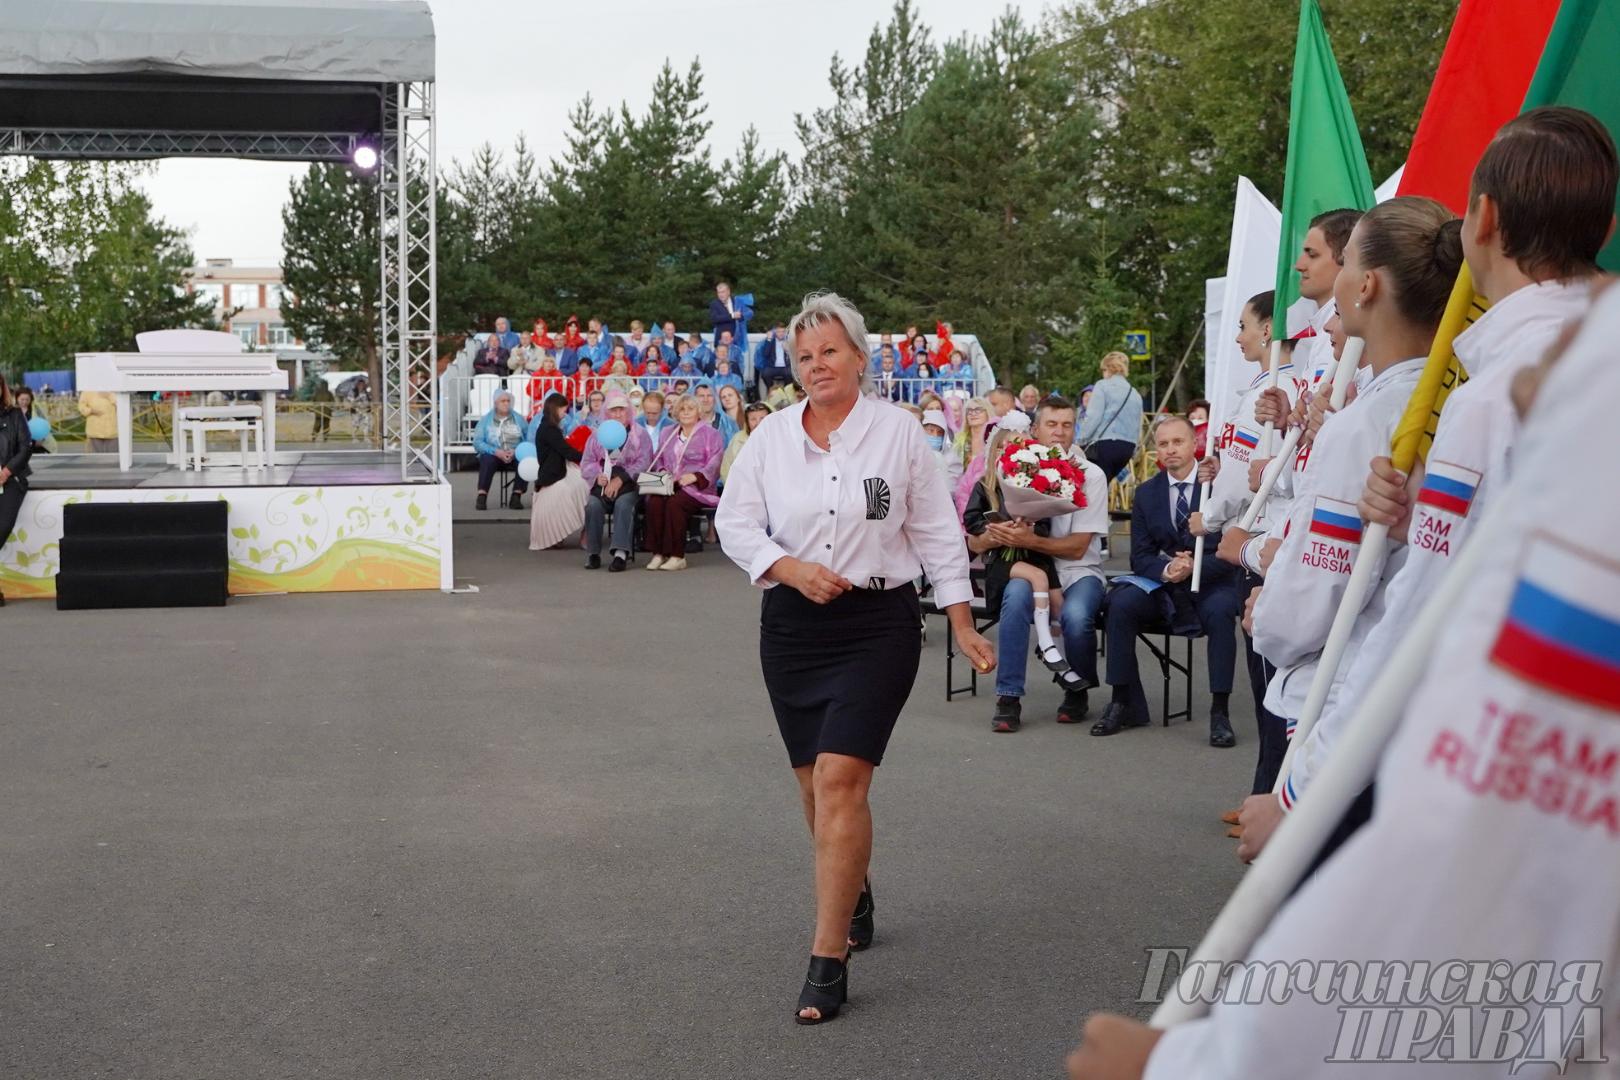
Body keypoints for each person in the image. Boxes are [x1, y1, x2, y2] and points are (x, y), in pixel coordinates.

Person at [1070, 280, 1620, 1080]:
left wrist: (1186, 1065)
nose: (1529, 385)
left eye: (1569, 358)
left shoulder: (1552, 557)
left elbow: (1455, 856)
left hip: (1327, 696)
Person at [1239, 107, 1619, 863]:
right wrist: (1423, 520)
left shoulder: (1495, 394)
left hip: (1514, 762)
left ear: (1484, 220)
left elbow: (1418, 623)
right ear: (1602, 231)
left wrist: (1298, 795)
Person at [716, 290, 994, 1026]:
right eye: (804, 357)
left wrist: (962, 622)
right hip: (794, 629)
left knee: (842, 778)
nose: (816, 366)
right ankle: (855, 886)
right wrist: (787, 567)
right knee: (813, 787)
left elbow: (937, 532)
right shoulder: (772, 438)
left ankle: (826, 956)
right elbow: (734, 523)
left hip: (879, 623)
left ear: (861, 358)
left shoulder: (899, 435)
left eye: (830, 351)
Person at [1189, 290, 1300, 801]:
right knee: (1277, 682)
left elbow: (1240, 478)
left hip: (1263, 541)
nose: (1236, 337)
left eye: (1242, 326)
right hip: (1274, 535)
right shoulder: (1289, 386)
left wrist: (1208, 517)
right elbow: (1236, 467)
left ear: (1266, 331)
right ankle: (1270, 791)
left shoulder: (1272, 388)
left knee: (1269, 685)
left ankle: (1269, 795)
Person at [1094, 416, 1244, 745]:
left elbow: (1230, 551)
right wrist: (1167, 571)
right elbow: (1140, 555)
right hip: (1163, 584)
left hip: (1209, 582)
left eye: (1178, 442)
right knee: (1119, 604)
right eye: (1163, 444)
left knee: (1220, 612)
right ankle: (1122, 700)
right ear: (1156, 450)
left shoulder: (1218, 490)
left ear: (1194, 445)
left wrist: (1194, 568)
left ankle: (1220, 711)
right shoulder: (1147, 493)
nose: (1171, 450)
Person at [965, 400, 1109, 732]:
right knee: (1015, 598)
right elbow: (975, 535)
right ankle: (1008, 696)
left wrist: (1027, 541)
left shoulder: (1091, 475)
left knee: (1075, 616)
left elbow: (1077, 549)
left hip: (1078, 569)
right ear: (1035, 430)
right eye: (1051, 424)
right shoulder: (1018, 469)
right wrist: (995, 536)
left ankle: (1079, 688)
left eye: (1067, 425)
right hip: (1028, 566)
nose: (1059, 431)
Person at [642, 396, 723, 572]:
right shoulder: (667, 432)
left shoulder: (711, 434)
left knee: (675, 504)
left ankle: (677, 556)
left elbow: (715, 462)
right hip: (670, 483)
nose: (685, 412)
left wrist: (695, 476)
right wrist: (663, 470)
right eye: (682, 409)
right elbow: (660, 458)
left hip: (697, 486)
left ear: (698, 413)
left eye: (690, 409)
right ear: (676, 412)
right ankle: (658, 553)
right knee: (654, 501)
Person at [580, 392, 652, 572]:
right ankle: (593, 553)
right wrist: (597, 475)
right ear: (607, 413)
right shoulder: (597, 435)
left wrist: (621, 479)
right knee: (593, 505)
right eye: (614, 410)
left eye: (622, 410)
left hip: (629, 483)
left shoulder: (639, 435)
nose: (618, 414)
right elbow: (587, 462)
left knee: (623, 504)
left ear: (628, 412)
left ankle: (621, 553)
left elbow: (644, 461)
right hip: (604, 481)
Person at [528, 393, 588, 551]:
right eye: (563, 409)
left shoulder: (547, 426)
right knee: (582, 486)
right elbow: (566, 450)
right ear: (555, 409)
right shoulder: (550, 429)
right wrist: (586, 458)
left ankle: (559, 534)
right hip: (553, 473)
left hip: (554, 470)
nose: (565, 413)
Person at [1075, 351, 1144, 481]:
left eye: (1103, 370)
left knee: (1095, 486)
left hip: (1106, 444)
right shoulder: (1134, 393)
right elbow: (1138, 424)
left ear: (1108, 369)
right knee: (1104, 483)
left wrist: (1080, 440)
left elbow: (1093, 417)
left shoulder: (1102, 386)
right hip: (1127, 448)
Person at [0, 373, 33, 605]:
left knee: (3, 526)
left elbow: (25, 446)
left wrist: (6, 471)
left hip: (11, 480)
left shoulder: (14, 415)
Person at [472, 390, 528, 512]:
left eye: (508, 401)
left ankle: (516, 496)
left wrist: (516, 451)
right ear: (496, 403)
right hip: (494, 453)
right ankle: (482, 495)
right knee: (487, 459)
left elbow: (528, 439)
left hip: (515, 453)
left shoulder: (519, 419)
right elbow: (477, 442)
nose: (506, 404)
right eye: (503, 401)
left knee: (525, 459)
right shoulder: (485, 420)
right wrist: (497, 452)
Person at [721, 401, 771, 487]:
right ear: (747, 422)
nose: (758, 423)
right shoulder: (738, 439)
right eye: (753, 419)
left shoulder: (779, 437)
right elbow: (726, 469)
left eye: (762, 418)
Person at [919, 409, 962, 488]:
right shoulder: (914, 454)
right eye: (931, 431)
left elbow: (951, 488)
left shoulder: (952, 458)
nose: (935, 435)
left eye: (940, 432)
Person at [78, 389, 119, 453]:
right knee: (95, 459)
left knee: (113, 458)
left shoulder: (113, 389)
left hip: (112, 432)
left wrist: (109, 395)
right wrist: (91, 411)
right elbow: (81, 407)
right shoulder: (87, 390)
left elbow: (122, 404)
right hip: (94, 432)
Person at [637, 390, 673, 456]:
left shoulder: (671, 426)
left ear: (662, 409)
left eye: (654, 413)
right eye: (648, 413)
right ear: (643, 409)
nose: (650, 416)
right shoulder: (636, 424)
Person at [709, 280, 743, 349]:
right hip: (721, 341)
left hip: (736, 340)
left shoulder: (736, 301)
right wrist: (732, 316)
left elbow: (744, 316)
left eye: (723, 292)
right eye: (719, 292)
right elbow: (714, 319)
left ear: (728, 291)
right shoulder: (714, 304)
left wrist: (740, 316)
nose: (721, 295)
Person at [716, 383, 746, 449]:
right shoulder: (719, 421)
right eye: (723, 397)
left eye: (730, 395)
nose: (727, 399)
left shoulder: (747, 418)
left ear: (738, 398)